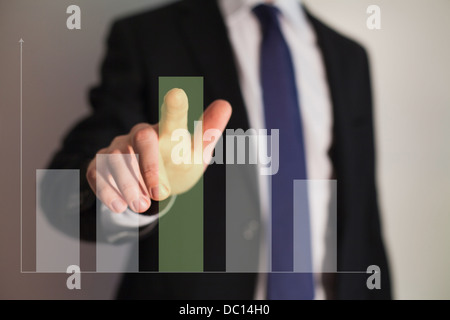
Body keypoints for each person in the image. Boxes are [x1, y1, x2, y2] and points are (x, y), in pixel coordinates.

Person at [44, 0, 391, 299]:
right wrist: (126, 185)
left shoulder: (350, 59)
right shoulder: (149, 37)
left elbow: (364, 220)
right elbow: (63, 192)